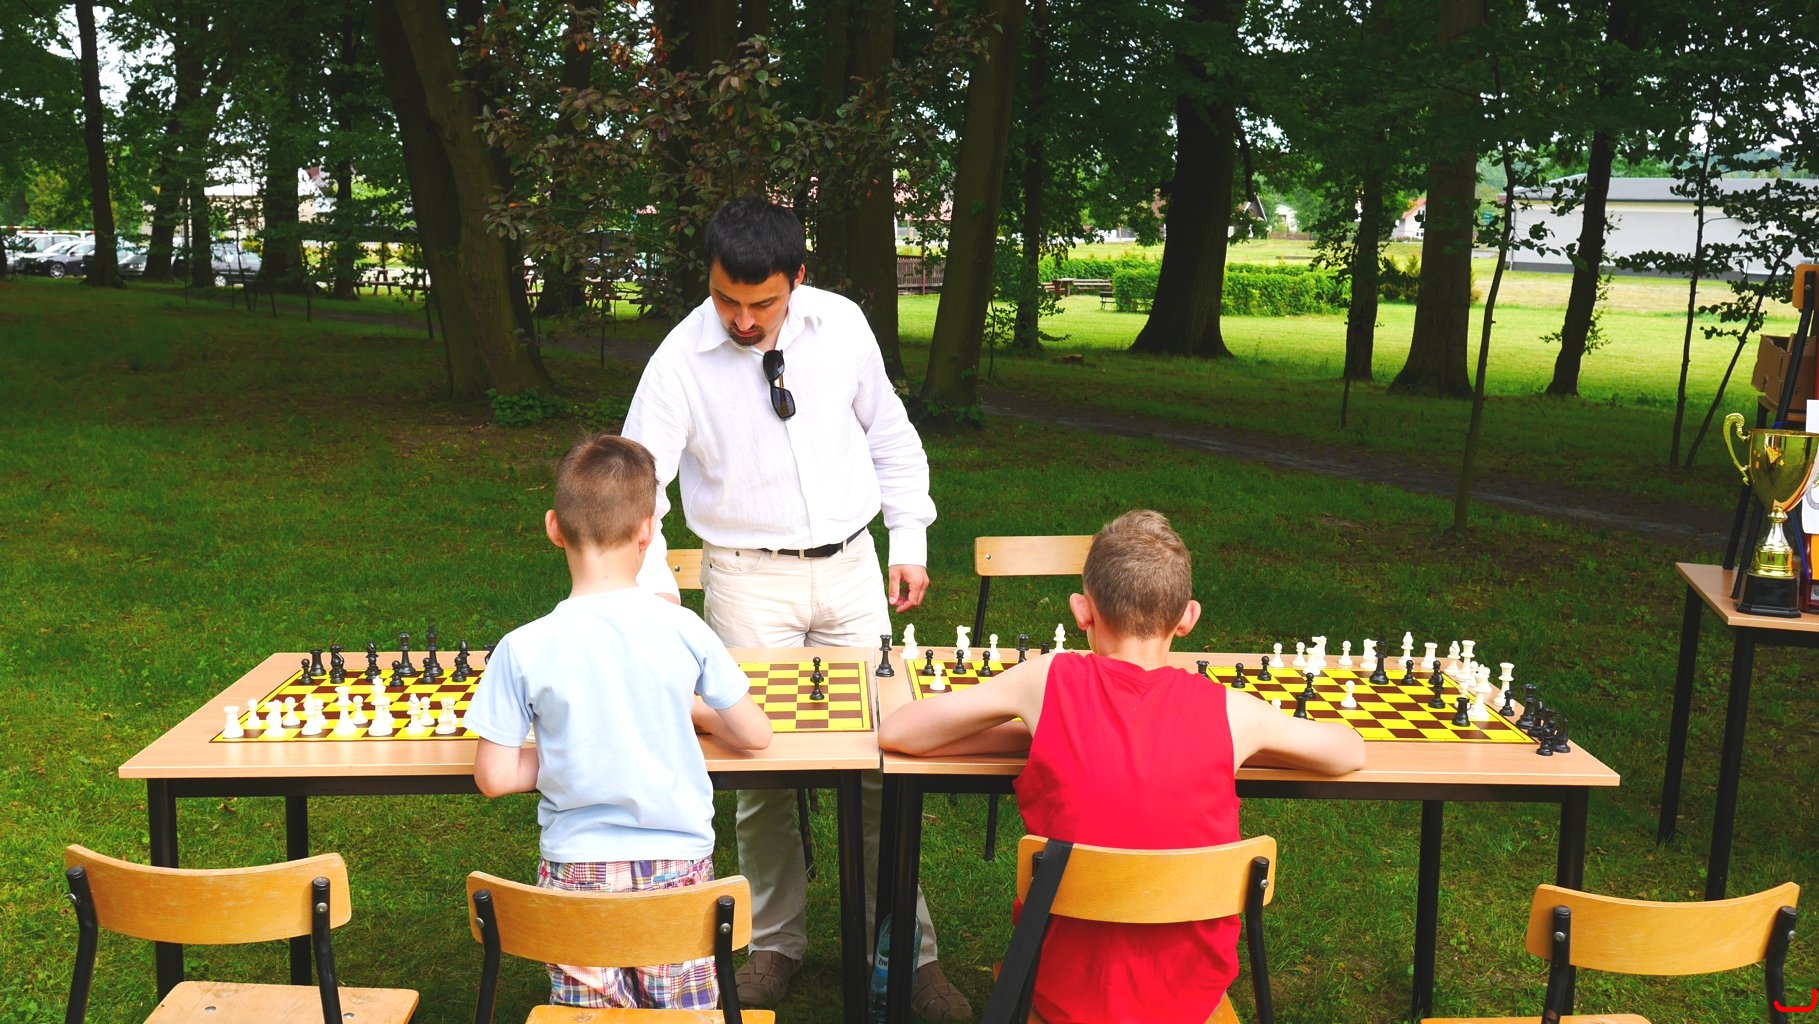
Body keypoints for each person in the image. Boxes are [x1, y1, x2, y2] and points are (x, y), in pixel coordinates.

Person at [621, 196, 972, 1019]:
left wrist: (908, 538)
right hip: (745, 579)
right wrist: (657, 590)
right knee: (760, 775)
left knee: (884, 762)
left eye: (763, 303)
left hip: (850, 570)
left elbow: (890, 435)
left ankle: (907, 952)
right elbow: (636, 484)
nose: (743, 320)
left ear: (798, 280)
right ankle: (773, 944)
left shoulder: (841, 325)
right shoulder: (678, 360)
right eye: (726, 299)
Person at [879, 510, 1367, 1024]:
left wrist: (1035, 733)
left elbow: (900, 732)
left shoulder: (1045, 680)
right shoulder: (1235, 714)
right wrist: (1251, 744)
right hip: (1190, 1000)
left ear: (1081, 611)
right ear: (1188, 618)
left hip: (1061, 993)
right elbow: (1349, 751)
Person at [468, 434, 773, 1010]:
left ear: (554, 527)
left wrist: (570, 749)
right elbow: (756, 734)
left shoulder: (522, 646)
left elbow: (495, 776)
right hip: (678, 873)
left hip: (574, 876)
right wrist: (687, 712)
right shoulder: (683, 629)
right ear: (647, 532)